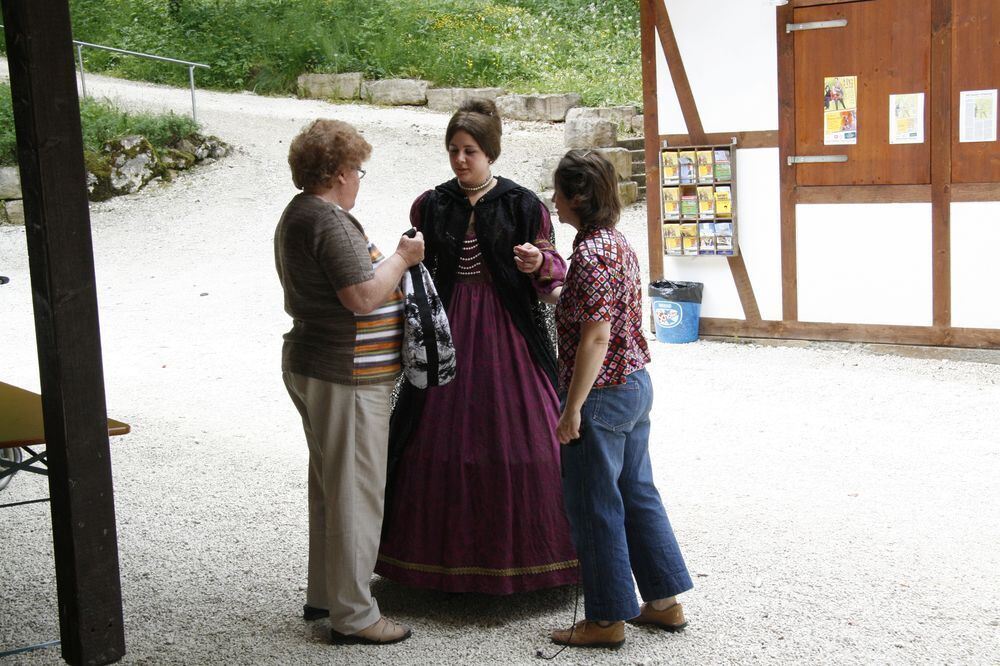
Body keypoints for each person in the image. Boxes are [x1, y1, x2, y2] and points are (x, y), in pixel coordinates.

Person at [375, 100, 579, 594]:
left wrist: (536, 263)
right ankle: (425, 565)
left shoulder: (523, 205)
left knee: (526, 439)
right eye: (453, 150)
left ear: (491, 153)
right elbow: (418, 266)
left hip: (510, 332)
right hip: (447, 330)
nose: (460, 159)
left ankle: (541, 559)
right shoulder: (431, 203)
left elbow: (554, 267)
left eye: (470, 151)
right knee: (431, 440)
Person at [274, 119, 424, 646]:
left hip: (318, 366)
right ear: (339, 173)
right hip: (348, 374)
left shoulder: (299, 215)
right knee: (357, 493)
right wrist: (403, 259)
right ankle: (356, 616)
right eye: (358, 171)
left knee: (331, 488)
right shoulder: (329, 220)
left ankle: (327, 593)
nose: (360, 180)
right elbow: (361, 296)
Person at [547, 150, 693, 649]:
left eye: (559, 192)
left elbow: (595, 337)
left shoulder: (589, 256)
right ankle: (664, 602)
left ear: (579, 197)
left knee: (595, 504)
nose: (554, 200)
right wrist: (545, 285)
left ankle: (606, 619)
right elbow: (591, 309)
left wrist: (571, 411)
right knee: (637, 492)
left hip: (603, 395)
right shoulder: (615, 244)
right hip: (635, 385)